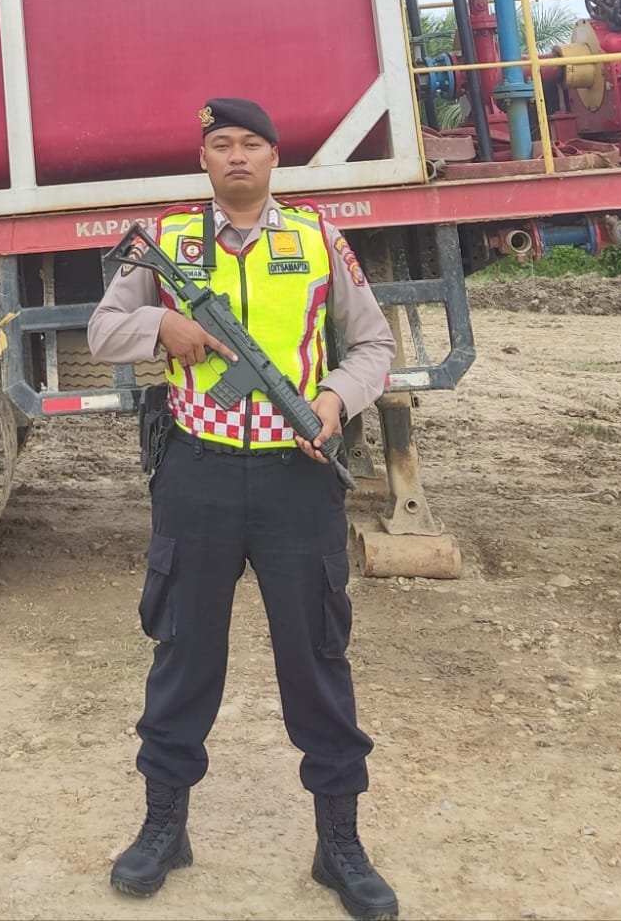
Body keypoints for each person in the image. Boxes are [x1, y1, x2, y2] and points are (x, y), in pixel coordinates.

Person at [87, 97, 399, 921]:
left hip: (298, 478)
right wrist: (164, 325)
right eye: (220, 143)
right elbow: (101, 331)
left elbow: (375, 345)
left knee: (317, 657)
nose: (236, 156)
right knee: (184, 652)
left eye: (251, 143)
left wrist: (333, 399)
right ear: (203, 158)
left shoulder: (316, 238)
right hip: (198, 472)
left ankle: (339, 843)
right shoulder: (169, 240)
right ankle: (164, 828)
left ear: (273, 157)